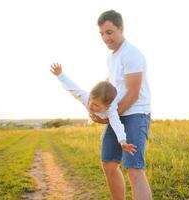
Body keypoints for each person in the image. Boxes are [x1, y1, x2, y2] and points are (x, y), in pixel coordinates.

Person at [91, 10, 152, 200]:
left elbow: (132, 94)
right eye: (102, 33)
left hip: (135, 114)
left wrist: (108, 116)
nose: (105, 37)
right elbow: (111, 88)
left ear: (121, 28)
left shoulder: (132, 54)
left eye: (109, 32)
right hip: (117, 113)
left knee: (134, 169)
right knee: (109, 164)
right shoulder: (111, 58)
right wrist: (96, 107)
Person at [50, 63, 137, 155]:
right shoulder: (86, 98)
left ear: (106, 106)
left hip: (119, 96)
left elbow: (117, 125)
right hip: (102, 98)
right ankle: (107, 80)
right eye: (90, 100)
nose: (90, 105)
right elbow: (73, 88)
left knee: (117, 91)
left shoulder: (110, 110)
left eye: (95, 105)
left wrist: (123, 142)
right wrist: (60, 75)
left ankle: (111, 79)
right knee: (90, 93)